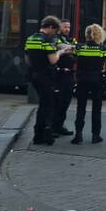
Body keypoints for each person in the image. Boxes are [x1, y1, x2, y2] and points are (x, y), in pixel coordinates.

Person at [24, 15, 69, 145]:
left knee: (43, 104)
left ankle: (39, 133)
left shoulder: (30, 39)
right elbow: (53, 60)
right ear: (50, 27)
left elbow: (27, 60)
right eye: (54, 31)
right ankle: (41, 135)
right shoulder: (47, 41)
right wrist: (61, 52)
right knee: (47, 106)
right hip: (46, 76)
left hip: (34, 75)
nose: (54, 33)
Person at [72, 24, 106, 144]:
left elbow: (75, 58)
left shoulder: (79, 47)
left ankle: (78, 135)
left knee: (80, 107)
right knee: (97, 108)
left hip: (82, 79)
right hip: (97, 80)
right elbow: (102, 65)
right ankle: (95, 135)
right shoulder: (102, 49)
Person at [50, 20, 77, 137]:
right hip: (59, 74)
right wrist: (70, 48)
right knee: (58, 102)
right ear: (60, 27)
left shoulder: (69, 39)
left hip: (70, 74)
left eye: (69, 27)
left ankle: (60, 126)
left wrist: (69, 48)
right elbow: (59, 46)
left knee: (66, 101)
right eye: (65, 27)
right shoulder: (56, 38)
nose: (67, 29)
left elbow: (76, 49)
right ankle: (53, 128)